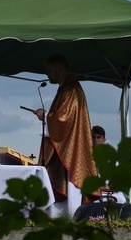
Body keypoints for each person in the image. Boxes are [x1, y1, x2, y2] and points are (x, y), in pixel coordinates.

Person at [33, 54, 98, 216]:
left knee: (70, 199)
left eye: (49, 70)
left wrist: (45, 115)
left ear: (59, 68)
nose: (47, 74)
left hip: (71, 151)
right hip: (66, 148)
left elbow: (64, 120)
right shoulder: (66, 87)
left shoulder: (71, 89)